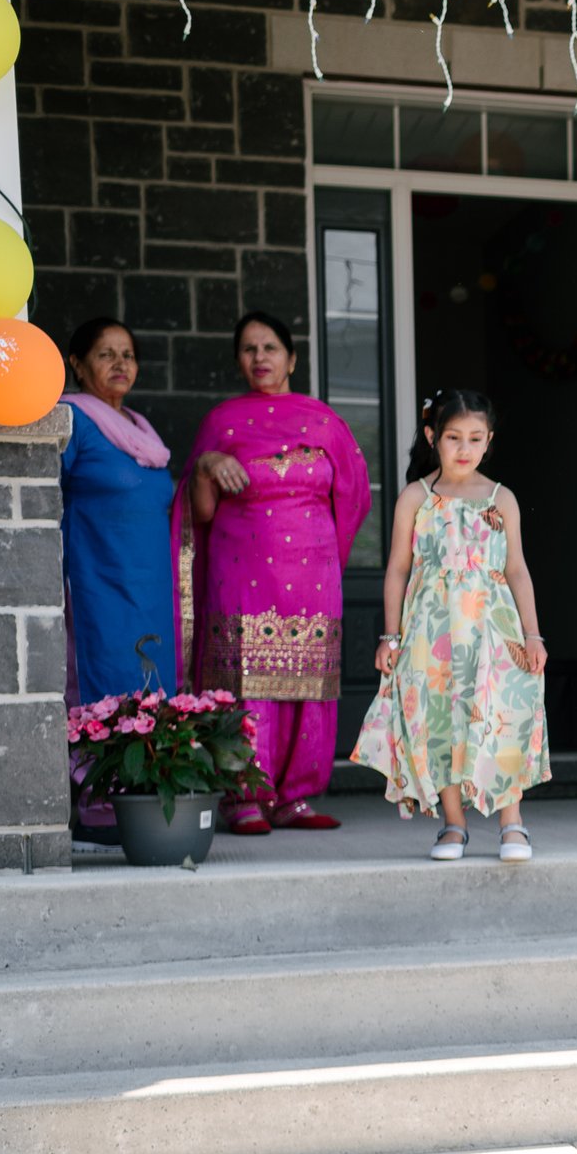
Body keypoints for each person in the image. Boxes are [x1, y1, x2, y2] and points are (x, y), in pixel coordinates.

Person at [178, 310, 372, 836]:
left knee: (306, 682)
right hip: (242, 569)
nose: (259, 358)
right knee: (248, 681)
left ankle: (296, 798)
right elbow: (199, 514)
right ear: (239, 360)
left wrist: (326, 554)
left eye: (269, 348)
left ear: (292, 358)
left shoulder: (323, 420)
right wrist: (205, 466)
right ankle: (243, 797)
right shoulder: (222, 422)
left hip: (313, 572)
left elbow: (353, 495)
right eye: (248, 349)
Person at [350, 389, 551, 863]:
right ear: (432, 437)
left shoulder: (502, 499)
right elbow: (398, 568)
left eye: (475, 438)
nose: (464, 448)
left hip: (493, 631)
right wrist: (390, 634)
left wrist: (533, 633)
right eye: (454, 437)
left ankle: (512, 822)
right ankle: (453, 824)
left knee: (501, 715)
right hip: (431, 633)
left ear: (489, 442)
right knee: (438, 721)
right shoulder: (416, 498)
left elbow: (517, 569)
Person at [59, 317, 180, 705]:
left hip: (151, 587)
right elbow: (43, 499)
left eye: (128, 355)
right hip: (98, 584)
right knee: (106, 688)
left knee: (152, 689)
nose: (120, 364)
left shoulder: (143, 430)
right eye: (106, 355)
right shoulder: (71, 419)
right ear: (77, 364)